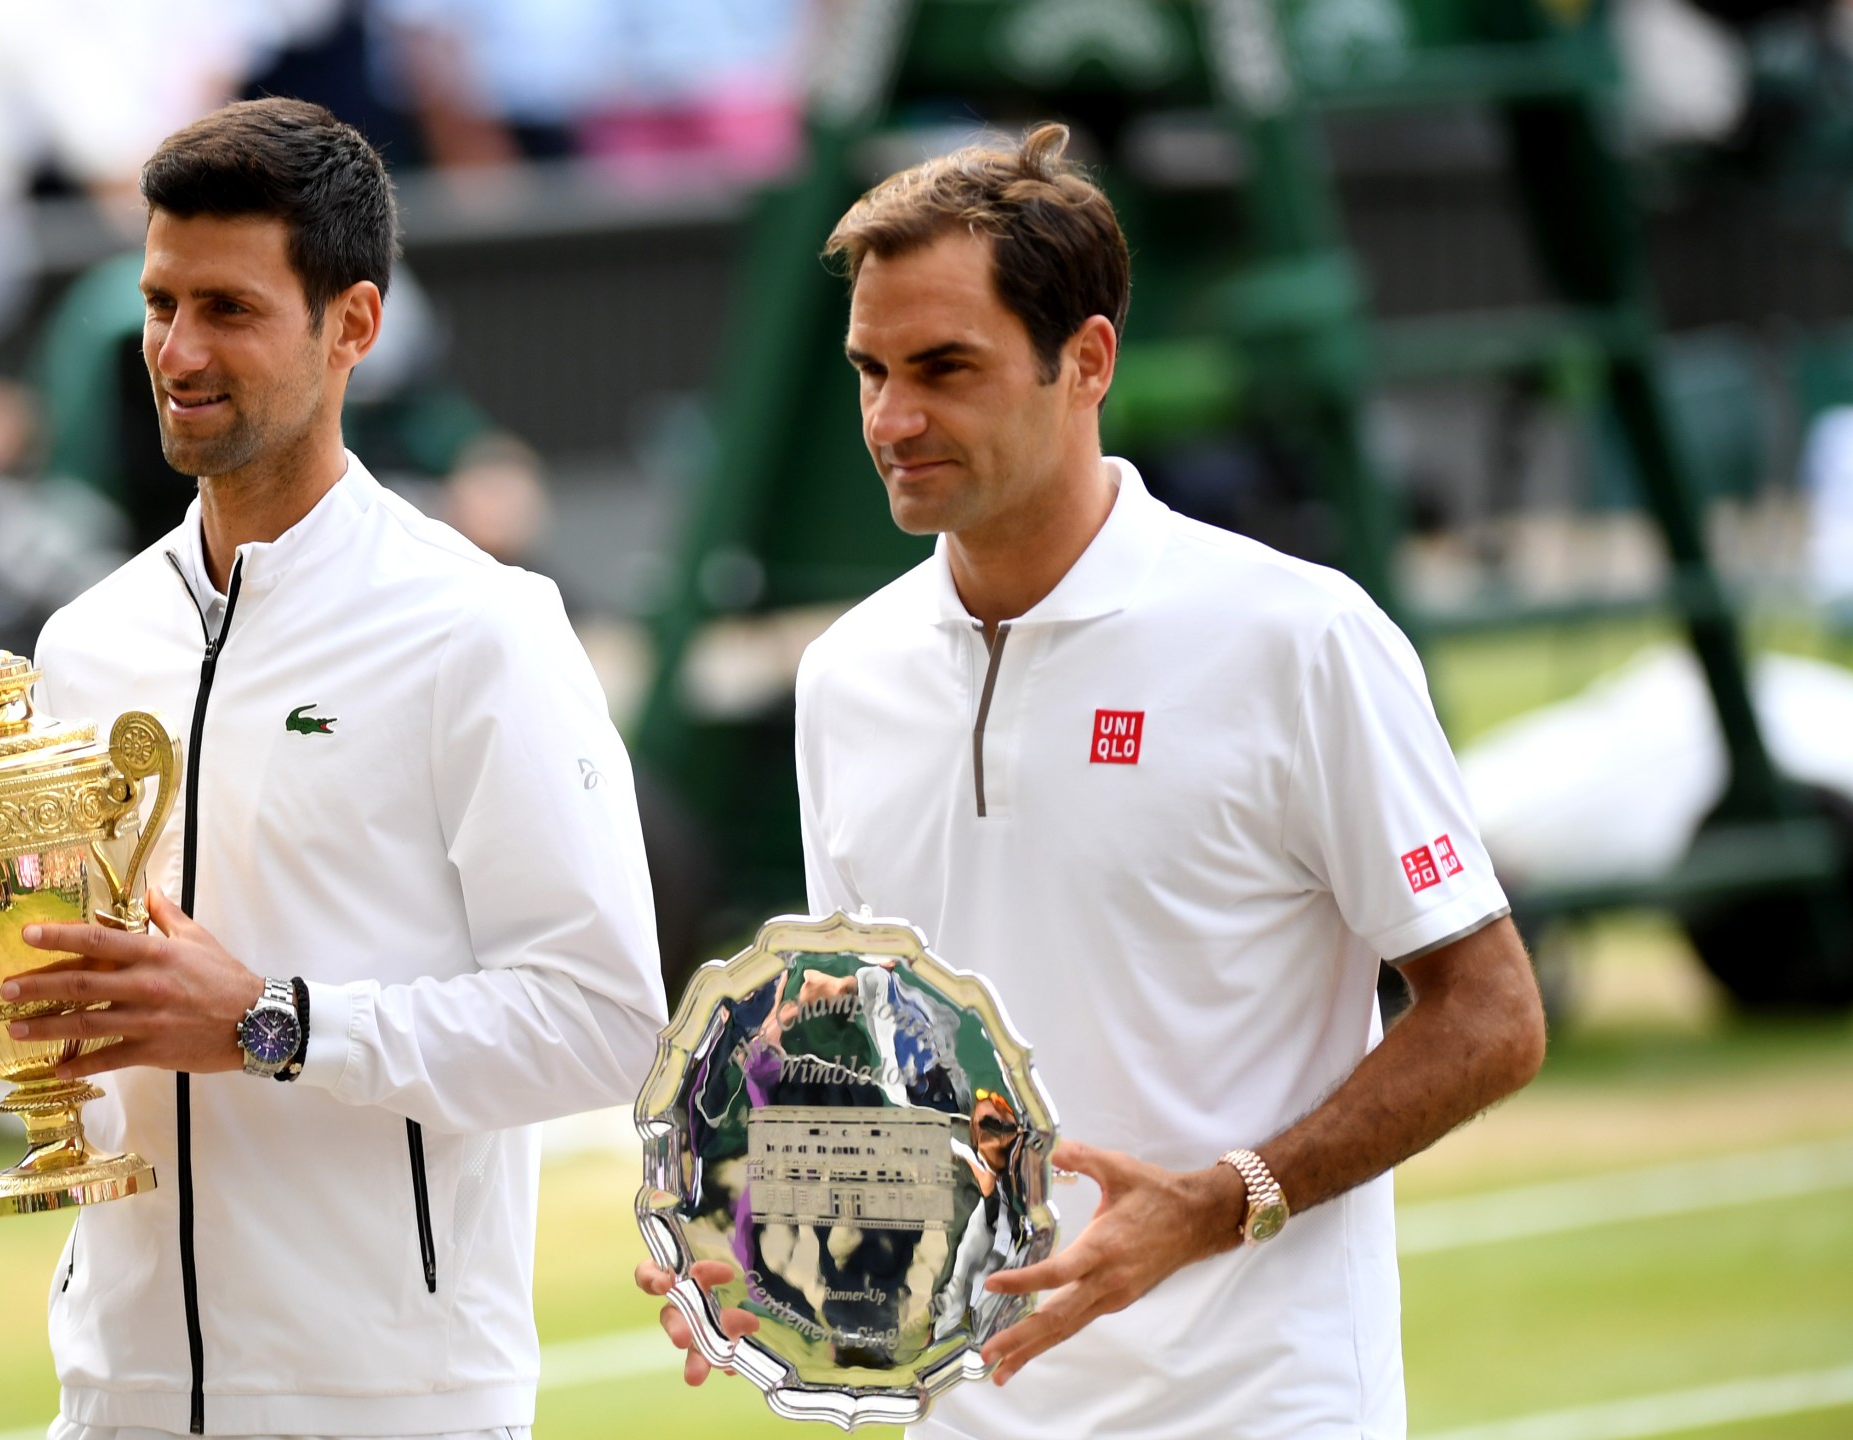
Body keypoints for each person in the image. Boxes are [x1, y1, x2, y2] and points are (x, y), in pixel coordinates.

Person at [639, 124, 1549, 1438]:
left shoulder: (1300, 639)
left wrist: (1225, 1199)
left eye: (945, 369)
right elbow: (884, 1067)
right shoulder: (847, 678)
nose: (893, 419)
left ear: (1087, 362)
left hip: (1261, 1410)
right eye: (872, 371)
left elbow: (1492, 1016)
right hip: (962, 1414)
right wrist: (762, 1239)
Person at [0, 98, 664, 1440]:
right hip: (112, 1391)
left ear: (352, 324)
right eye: (159, 301)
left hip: (392, 1402)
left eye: (228, 309)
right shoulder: (89, 639)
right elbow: (113, 1023)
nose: (176, 349)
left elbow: (608, 1022)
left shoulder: (481, 630)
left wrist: (272, 1023)